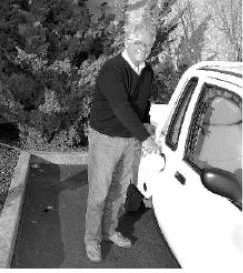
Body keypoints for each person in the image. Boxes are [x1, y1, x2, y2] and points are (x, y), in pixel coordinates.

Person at [84, 19, 159, 263]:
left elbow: (142, 104)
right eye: (138, 42)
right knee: (99, 193)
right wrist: (146, 138)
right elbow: (121, 108)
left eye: (147, 45)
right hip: (105, 138)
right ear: (127, 41)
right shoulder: (112, 69)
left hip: (129, 140)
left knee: (119, 190)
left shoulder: (146, 71)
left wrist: (146, 124)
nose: (142, 48)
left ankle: (109, 230)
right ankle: (92, 239)